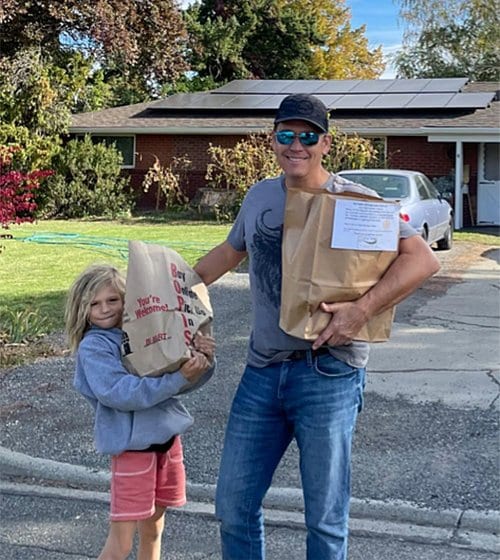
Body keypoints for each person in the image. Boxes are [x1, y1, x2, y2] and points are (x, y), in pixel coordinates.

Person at [194, 93, 441, 560]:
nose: (296, 145)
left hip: (328, 373)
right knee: (232, 506)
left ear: (326, 143)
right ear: (273, 140)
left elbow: (421, 259)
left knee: (325, 519)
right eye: (286, 134)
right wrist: (174, 285)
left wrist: (360, 311)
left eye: (308, 136)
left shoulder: (353, 202)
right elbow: (230, 253)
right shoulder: (260, 196)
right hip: (262, 370)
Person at [65, 263, 215, 560]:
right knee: (121, 544)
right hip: (133, 451)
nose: (105, 309)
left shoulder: (145, 333)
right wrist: (177, 378)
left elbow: (182, 383)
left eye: (112, 300)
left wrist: (202, 360)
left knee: (154, 530)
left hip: (168, 445)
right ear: (82, 310)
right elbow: (119, 393)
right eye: (94, 304)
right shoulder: (94, 348)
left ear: (126, 299)